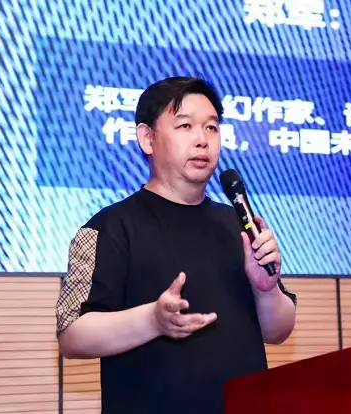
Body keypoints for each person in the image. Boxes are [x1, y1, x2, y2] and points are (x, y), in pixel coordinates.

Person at [55, 76, 297, 414]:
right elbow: (71, 335)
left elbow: (278, 331)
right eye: (185, 126)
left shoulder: (239, 225)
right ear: (147, 138)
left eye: (211, 128)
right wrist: (153, 321)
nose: (202, 140)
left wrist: (266, 290)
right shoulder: (107, 228)